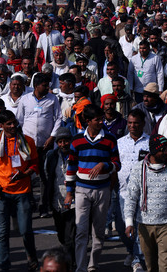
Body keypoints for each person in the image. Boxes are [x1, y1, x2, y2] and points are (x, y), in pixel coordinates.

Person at [64, 104, 121, 272]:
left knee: (99, 232)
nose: (101, 121)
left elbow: (117, 164)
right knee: (81, 231)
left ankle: (93, 265)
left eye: (101, 118)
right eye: (97, 119)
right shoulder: (77, 140)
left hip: (103, 190)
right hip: (82, 190)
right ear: (88, 121)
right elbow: (71, 167)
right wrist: (69, 193)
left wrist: (105, 165)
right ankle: (81, 267)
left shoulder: (110, 139)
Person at [124, 135, 167, 272]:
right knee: (151, 266)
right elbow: (131, 197)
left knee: (166, 267)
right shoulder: (139, 169)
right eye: (163, 149)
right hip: (145, 225)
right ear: (154, 151)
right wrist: (129, 222)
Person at [0, 109, 39, 271]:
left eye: (14, 122)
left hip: (23, 191)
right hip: (2, 193)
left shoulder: (27, 141)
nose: (13, 126)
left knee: (25, 231)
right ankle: (4, 266)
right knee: (2, 234)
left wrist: (24, 174)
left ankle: (32, 261)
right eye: (8, 123)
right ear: (1, 126)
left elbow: (35, 164)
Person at [17, 72, 63, 217]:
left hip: (46, 144)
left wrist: (52, 136)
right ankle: (29, 205)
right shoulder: (25, 100)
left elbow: (58, 119)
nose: (47, 87)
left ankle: (44, 206)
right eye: (44, 85)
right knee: (28, 175)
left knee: (45, 175)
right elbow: (20, 120)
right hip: (28, 145)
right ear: (36, 86)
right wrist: (22, 140)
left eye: (48, 85)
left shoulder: (52, 99)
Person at [116, 110, 150, 271]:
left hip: (143, 193)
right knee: (122, 227)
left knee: (137, 227)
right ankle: (131, 251)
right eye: (129, 123)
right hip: (122, 192)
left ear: (143, 123)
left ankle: (137, 259)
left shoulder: (150, 143)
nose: (132, 126)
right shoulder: (120, 142)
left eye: (135, 123)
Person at [45, 127, 76, 263]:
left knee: (70, 235)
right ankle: (68, 254)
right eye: (60, 142)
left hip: (74, 200)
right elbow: (47, 176)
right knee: (61, 234)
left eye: (66, 141)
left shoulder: (77, 154)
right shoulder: (51, 156)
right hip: (57, 200)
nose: (63, 144)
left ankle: (71, 262)